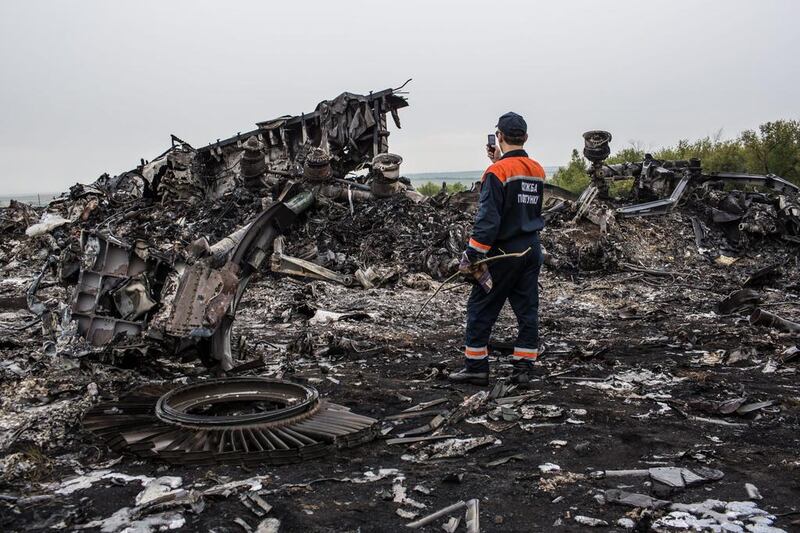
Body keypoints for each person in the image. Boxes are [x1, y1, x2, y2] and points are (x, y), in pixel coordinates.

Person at [448, 112, 545, 386]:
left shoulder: (496, 172)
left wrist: (472, 253)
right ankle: (523, 369)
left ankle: (476, 367)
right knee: (527, 310)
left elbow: (489, 220)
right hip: (531, 249)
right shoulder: (537, 169)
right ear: (525, 137)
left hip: (504, 253)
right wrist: (497, 160)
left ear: (499, 137)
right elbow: (520, 198)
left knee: (480, 307)